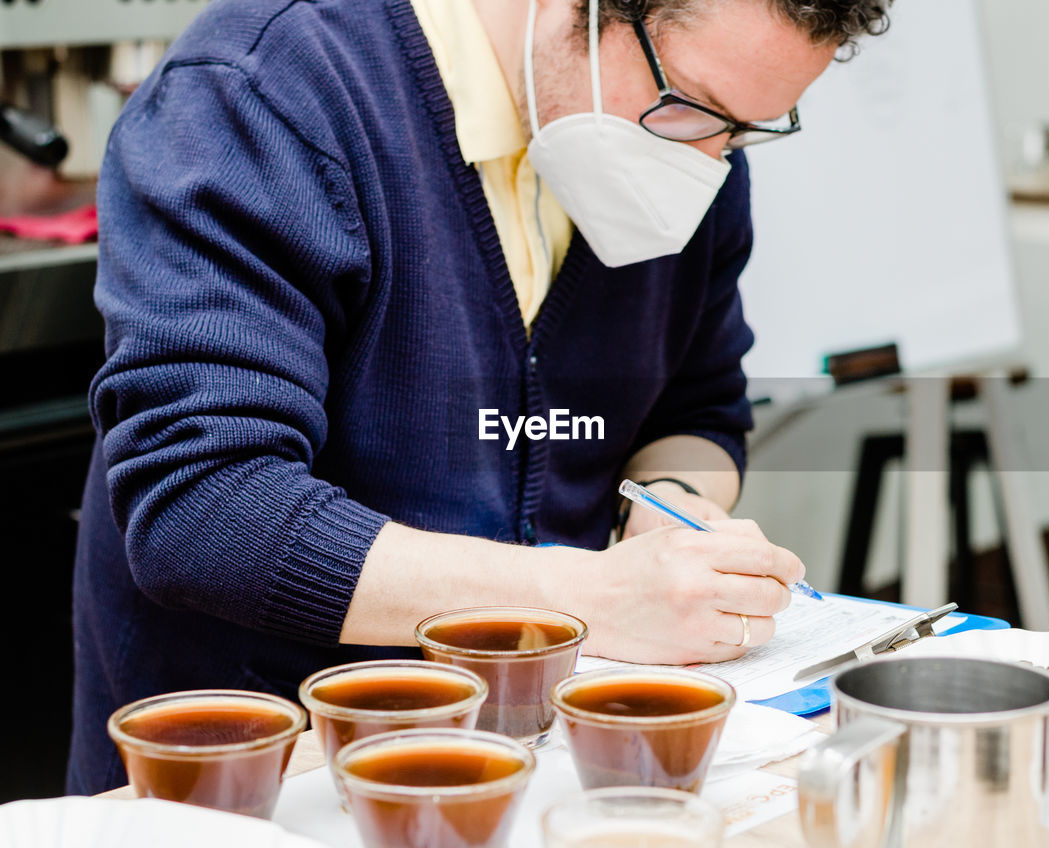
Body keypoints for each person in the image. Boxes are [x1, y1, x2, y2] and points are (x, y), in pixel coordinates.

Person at [68, 0, 891, 794]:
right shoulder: (266, 89)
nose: (708, 159)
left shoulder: (683, 161)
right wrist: (593, 598)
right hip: (259, 775)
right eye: (696, 107)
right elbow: (206, 510)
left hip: (532, 763)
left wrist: (669, 508)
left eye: (746, 132)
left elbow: (699, 409)